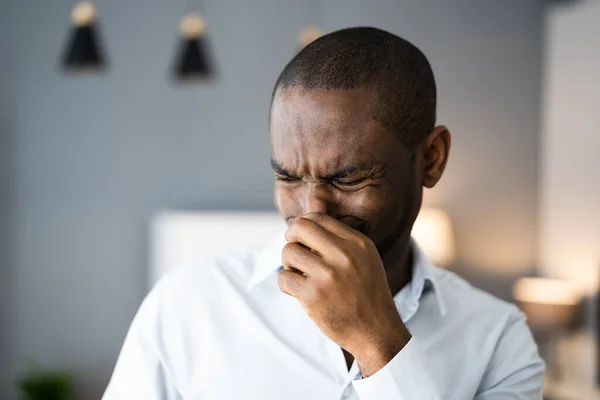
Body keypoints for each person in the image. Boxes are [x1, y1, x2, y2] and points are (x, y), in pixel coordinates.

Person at [103, 27, 545, 399]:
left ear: (431, 158)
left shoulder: (498, 341)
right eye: (288, 177)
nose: (311, 212)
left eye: (348, 179)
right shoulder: (185, 306)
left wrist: (379, 342)